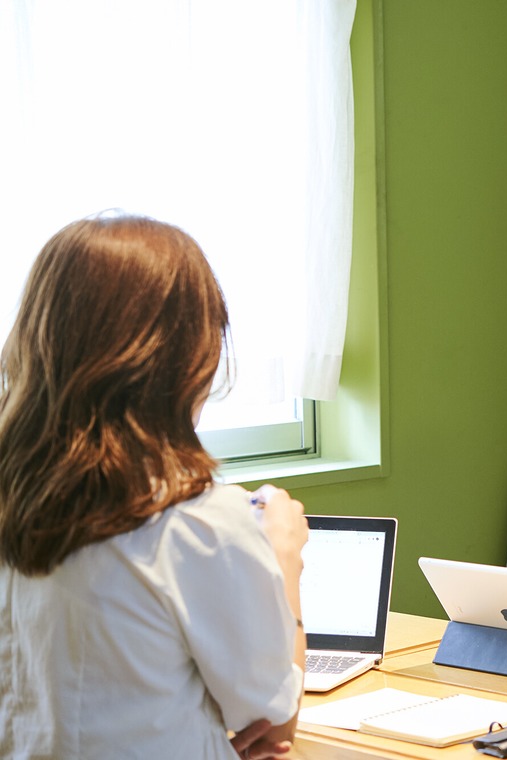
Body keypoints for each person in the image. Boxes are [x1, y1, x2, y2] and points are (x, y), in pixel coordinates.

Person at [0, 214, 309, 759]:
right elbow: (274, 719)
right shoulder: (195, 518)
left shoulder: (15, 498)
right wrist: (284, 555)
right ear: (185, 354)